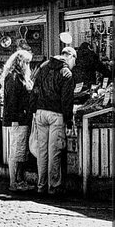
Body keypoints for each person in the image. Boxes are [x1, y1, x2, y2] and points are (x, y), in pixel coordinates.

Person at [31, 46, 77, 196]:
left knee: (42, 151)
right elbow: (67, 100)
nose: (74, 65)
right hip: (55, 114)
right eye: (75, 61)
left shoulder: (44, 66)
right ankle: (54, 186)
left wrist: (34, 109)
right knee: (54, 152)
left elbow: (35, 89)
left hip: (40, 112)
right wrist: (69, 119)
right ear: (71, 57)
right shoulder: (66, 73)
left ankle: (41, 185)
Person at [2, 49, 35, 192]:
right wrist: (16, 117)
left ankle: (18, 180)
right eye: (26, 62)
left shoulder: (18, 77)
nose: (28, 65)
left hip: (22, 119)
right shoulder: (14, 77)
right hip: (18, 119)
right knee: (17, 151)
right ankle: (14, 182)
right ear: (20, 62)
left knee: (21, 151)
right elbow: (12, 101)